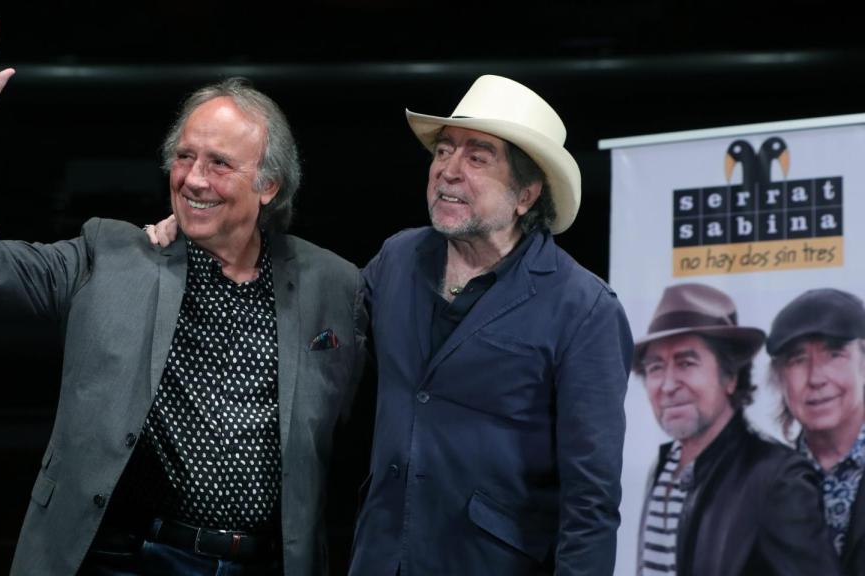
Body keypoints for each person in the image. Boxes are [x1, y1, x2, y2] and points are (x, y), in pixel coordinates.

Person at [0, 9, 366, 576]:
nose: (194, 179)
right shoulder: (112, 254)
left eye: (220, 164)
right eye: (184, 156)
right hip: (123, 557)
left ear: (268, 184)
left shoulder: (336, 286)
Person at [148, 74, 633, 575]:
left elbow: (591, 503)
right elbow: (313, 320)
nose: (448, 171)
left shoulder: (584, 308)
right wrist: (199, 229)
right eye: (443, 151)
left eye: (477, 157)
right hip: (381, 557)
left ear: (526, 194)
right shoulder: (401, 257)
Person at [632, 282, 839, 576]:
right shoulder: (664, 465)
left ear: (730, 377)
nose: (667, 385)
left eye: (686, 363)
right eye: (655, 368)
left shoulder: (777, 479)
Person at [766, 288, 865, 575]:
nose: (816, 378)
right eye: (797, 360)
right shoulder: (764, 484)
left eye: (834, 354)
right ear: (779, 378)